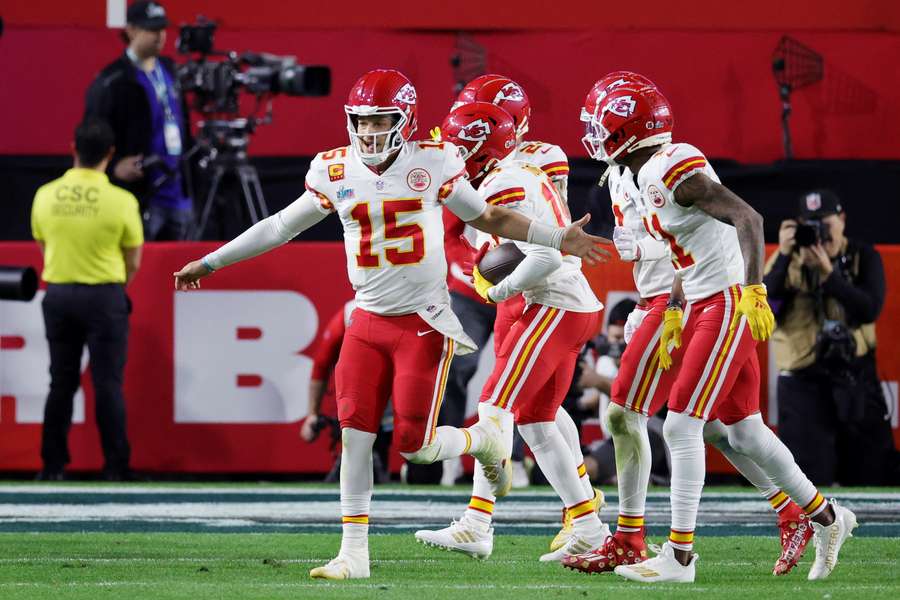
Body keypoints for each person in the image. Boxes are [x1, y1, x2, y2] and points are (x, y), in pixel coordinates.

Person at [172, 69, 608, 580]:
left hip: (423, 322)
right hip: (366, 317)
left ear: (406, 121)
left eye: (380, 121)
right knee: (355, 431)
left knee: (414, 446)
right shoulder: (333, 168)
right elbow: (279, 225)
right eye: (360, 121)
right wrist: (212, 262)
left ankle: (484, 445)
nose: (368, 133)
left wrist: (555, 240)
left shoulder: (435, 161)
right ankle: (352, 553)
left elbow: (491, 218)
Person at [581, 80, 855, 584]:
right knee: (745, 431)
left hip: (728, 302)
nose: (594, 132)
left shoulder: (668, 167)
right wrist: (673, 310)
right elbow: (694, 248)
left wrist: (753, 290)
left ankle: (680, 558)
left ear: (629, 126)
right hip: (702, 299)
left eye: (602, 121)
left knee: (683, 426)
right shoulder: (644, 175)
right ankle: (828, 517)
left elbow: (748, 217)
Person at [415, 102, 608, 562]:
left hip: (553, 302)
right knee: (537, 421)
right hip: (567, 303)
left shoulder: (506, 182)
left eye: (462, 144)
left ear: (484, 148)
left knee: (493, 405)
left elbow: (547, 256)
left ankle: (478, 522)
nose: (453, 151)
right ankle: (587, 524)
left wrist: (501, 289)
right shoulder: (508, 172)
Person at [437, 74, 570, 488]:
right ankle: (458, 477)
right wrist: (471, 269)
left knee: (520, 390)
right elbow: (449, 227)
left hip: (526, 280)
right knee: (470, 376)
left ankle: (518, 473)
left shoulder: (542, 158)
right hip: (474, 281)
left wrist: (498, 271)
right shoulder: (458, 154)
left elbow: (553, 227)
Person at [30, 118, 144, 481]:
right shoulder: (122, 200)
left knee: (60, 381)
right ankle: (115, 466)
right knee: (108, 381)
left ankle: (51, 466)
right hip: (104, 296)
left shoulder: (45, 195)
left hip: (59, 295)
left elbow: (43, 244)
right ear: (111, 154)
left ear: (73, 149)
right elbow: (133, 259)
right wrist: (115, 286)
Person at [764, 190, 894, 485]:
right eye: (812, 224)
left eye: (826, 222)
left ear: (842, 220)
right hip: (802, 384)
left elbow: (868, 310)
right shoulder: (785, 261)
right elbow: (764, 308)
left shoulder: (863, 255)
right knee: (809, 482)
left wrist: (828, 274)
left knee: (870, 476)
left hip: (855, 377)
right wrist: (785, 256)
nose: (820, 231)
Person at [84, 1, 193, 241]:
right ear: (131, 30)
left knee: (182, 271)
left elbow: (184, 124)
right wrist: (113, 168)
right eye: (151, 29)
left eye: (163, 29)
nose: (160, 36)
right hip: (141, 195)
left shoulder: (170, 70)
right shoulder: (112, 79)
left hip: (178, 194)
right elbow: (91, 135)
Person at [300, 300, 391, 484]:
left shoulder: (413, 305)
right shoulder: (350, 311)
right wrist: (312, 414)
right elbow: (322, 363)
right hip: (358, 400)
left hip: (397, 399)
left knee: (420, 464)